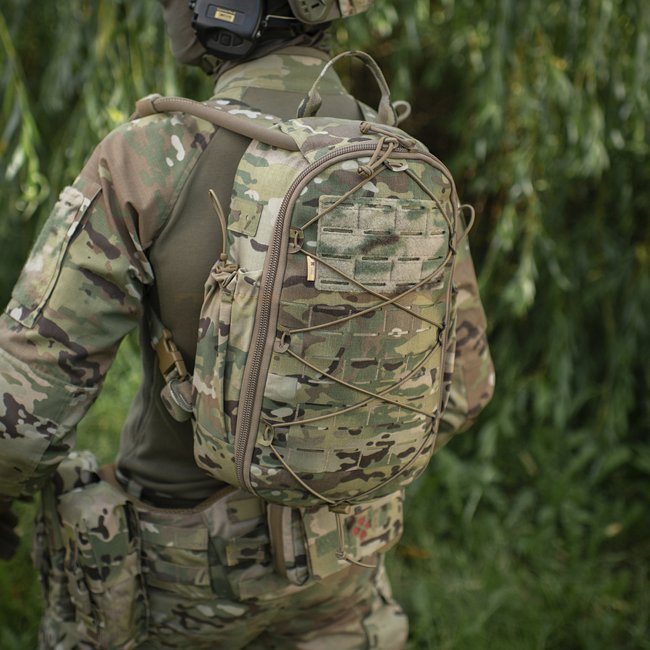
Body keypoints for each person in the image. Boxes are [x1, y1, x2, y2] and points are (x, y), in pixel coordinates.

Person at [0, 0, 495, 647]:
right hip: (344, 564)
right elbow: (465, 387)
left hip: (178, 578)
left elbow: (21, 418)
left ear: (224, 11)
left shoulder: (152, 154)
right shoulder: (395, 156)